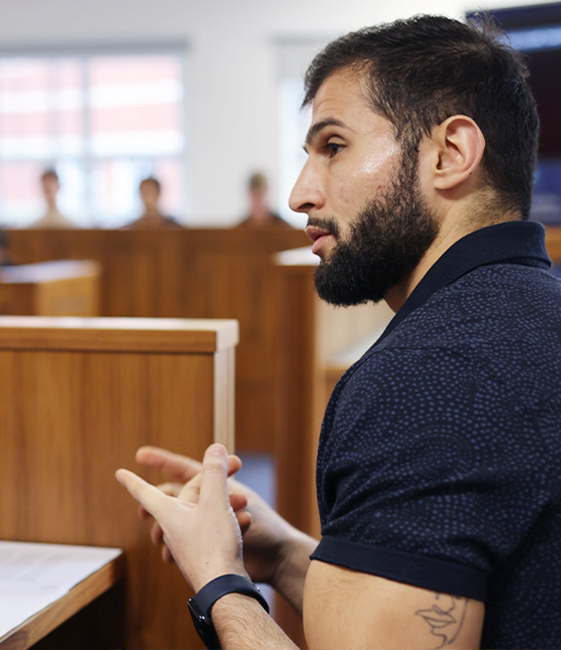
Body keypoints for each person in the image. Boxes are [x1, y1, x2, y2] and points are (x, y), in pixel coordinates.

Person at [116, 15, 560, 650]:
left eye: (333, 146)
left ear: (450, 153)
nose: (300, 194)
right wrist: (291, 555)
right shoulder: (532, 313)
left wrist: (218, 577)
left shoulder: (429, 376)